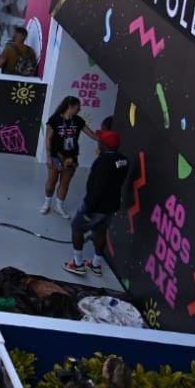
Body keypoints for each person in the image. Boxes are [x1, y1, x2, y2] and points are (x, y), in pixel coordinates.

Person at [67, 130, 130, 277]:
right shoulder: (124, 160)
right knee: (100, 232)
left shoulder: (102, 162)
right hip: (111, 206)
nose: (98, 142)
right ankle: (96, 265)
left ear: (105, 145)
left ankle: (77, 263)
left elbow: (97, 188)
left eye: (100, 141)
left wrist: (89, 211)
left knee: (76, 227)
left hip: (95, 206)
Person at [42, 96, 97, 218]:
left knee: (65, 183)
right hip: (56, 156)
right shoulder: (55, 119)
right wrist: (49, 156)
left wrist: (104, 139)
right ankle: (47, 203)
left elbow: (91, 134)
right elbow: (49, 138)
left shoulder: (78, 121)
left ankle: (59, 206)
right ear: (70, 107)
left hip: (71, 158)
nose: (80, 109)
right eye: (78, 107)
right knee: (51, 182)